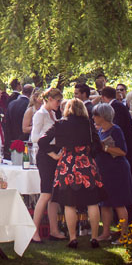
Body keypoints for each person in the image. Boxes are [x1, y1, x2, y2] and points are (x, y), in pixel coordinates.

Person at [40, 99, 104, 249]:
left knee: (69, 203)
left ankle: (73, 238)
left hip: (67, 165)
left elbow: (42, 141)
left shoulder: (60, 124)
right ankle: (94, 238)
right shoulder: (88, 124)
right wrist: (89, 155)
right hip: (86, 163)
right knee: (92, 202)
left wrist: (55, 153)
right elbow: (98, 145)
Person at [91, 103, 132, 243]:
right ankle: (106, 232)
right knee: (105, 203)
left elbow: (123, 151)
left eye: (95, 115)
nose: (93, 117)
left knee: (118, 202)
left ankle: (124, 234)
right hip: (104, 171)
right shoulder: (100, 131)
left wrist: (105, 147)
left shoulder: (115, 130)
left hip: (117, 170)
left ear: (103, 116)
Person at [30, 87, 66, 243]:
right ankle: (33, 231)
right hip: (45, 155)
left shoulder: (52, 114)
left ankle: (54, 230)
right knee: (45, 194)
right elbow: (34, 137)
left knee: (53, 195)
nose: (59, 103)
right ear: (49, 99)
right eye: (58, 100)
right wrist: (51, 153)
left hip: (55, 154)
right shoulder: (40, 114)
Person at [6, 83, 33, 150]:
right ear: (31, 93)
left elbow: (7, 122)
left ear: (22, 92)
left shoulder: (11, 103)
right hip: (25, 141)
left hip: (12, 140)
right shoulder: (30, 106)